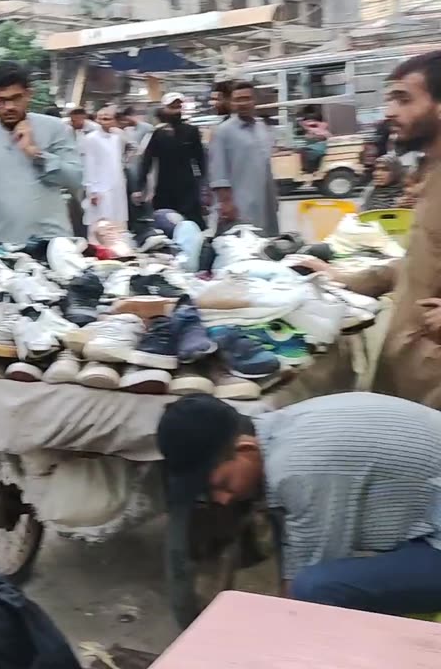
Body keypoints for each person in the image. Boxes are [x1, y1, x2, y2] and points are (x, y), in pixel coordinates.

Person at [158, 392, 441, 616]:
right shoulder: (276, 428)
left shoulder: (297, 471)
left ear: (245, 450)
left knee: (316, 589)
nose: (222, 499)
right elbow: (296, 545)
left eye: (222, 485)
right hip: (430, 520)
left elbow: (306, 592)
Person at [295, 50, 441, 409]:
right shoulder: (430, 172)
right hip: (408, 370)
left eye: (403, 99)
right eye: (389, 98)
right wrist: (346, 278)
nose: (389, 111)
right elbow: (422, 260)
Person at [0, 61, 83, 244]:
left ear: (29, 94)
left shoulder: (55, 128)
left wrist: (35, 153)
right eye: (1, 100)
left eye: (16, 98)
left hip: (51, 242)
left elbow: (75, 179)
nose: (9, 107)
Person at [208, 81, 280, 235]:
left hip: (264, 202)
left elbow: (266, 166)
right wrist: (226, 203)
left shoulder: (262, 128)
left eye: (247, 98)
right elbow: (218, 173)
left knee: (267, 246)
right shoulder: (223, 131)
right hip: (239, 206)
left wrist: (274, 198)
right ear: (231, 103)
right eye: (237, 99)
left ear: (255, 101)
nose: (243, 103)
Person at [139, 92, 207, 228]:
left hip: (187, 188)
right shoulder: (158, 134)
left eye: (178, 107)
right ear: (164, 109)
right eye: (172, 107)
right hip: (164, 188)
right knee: (166, 224)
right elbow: (147, 161)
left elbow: (200, 159)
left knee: (192, 224)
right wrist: (140, 186)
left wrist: (204, 186)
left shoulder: (191, 131)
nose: (176, 111)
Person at [81, 106, 128, 228]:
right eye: (100, 119)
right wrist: (92, 190)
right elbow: (89, 164)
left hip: (117, 184)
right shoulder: (91, 138)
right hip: (100, 187)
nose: (103, 122)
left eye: (107, 119)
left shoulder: (117, 137)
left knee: (118, 220)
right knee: (100, 222)